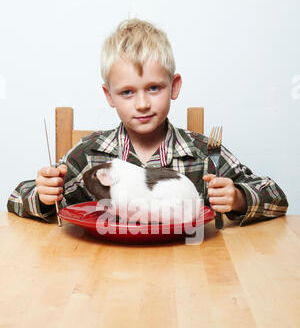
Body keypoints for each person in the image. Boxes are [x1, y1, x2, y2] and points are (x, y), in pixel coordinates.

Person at [7, 18, 288, 226]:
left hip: (190, 273)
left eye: (153, 88)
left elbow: (276, 197)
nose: (142, 103)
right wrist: (44, 196)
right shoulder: (90, 155)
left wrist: (238, 198)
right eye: (127, 92)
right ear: (109, 96)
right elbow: (18, 197)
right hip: (103, 272)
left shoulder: (203, 154)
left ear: (174, 86)